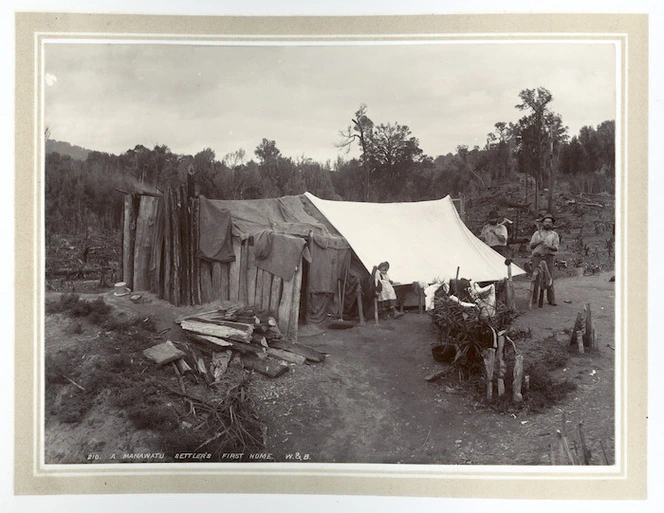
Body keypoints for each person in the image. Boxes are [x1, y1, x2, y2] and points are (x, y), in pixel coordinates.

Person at [529, 213, 559, 306]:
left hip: (549, 257)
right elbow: (531, 246)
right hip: (537, 257)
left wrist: (549, 246)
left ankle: (551, 299)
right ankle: (534, 299)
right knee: (536, 278)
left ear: (552, 224)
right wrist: (538, 241)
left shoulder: (554, 235)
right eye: (546, 222)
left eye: (549, 222)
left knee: (549, 278)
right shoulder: (537, 233)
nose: (547, 223)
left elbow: (556, 248)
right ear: (543, 223)